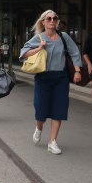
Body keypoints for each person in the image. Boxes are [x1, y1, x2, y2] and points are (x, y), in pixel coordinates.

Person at [19, 10, 82, 155]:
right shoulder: (38, 37)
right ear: (43, 22)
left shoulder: (64, 36)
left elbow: (75, 52)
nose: (52, 21)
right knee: (41, 109)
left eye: (55, 18)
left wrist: (77, 70)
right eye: (49, 18)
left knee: (59, 110)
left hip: (61, 77)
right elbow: (23, 53)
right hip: (43, 77)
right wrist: (39, 47)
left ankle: (52, 142)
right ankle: (39, 127)